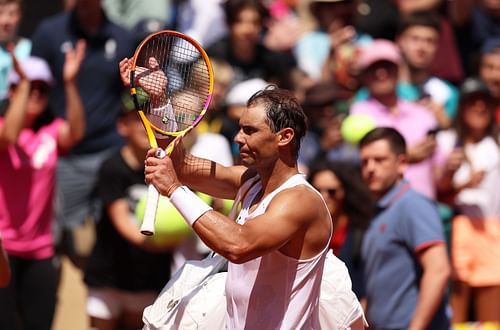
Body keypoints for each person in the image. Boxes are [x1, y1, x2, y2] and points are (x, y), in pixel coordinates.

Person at [120, 55, 333, 327]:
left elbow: (238, 245)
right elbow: (180, 164)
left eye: (249, 130)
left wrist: (174, 189)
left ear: (284, 137)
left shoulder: (300, 200)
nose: (237, 137)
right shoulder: (251, 181)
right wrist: (160, 100)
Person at [30, 0, 137, 268]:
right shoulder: (48, 33)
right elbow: (34, 90)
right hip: (65, 157)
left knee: (113, 238)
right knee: (59, 244)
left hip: (110, 154)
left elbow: (132, 96)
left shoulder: (123, 37)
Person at [0, 45, 85, 329]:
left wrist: (71, 83)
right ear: (12, 90)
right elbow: (9, 136)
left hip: (41, 250)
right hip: (3, 249)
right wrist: (22, 85)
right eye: (28, 87)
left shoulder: (50, 132)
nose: (35, 94)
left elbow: (76, 133)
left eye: (42, 89)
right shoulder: (2, 128)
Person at [83, 99, 175, 330]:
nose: (147, 128)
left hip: (147, 276)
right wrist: (156, 243)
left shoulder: (166, 168)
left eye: (152, 122)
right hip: (108, 275)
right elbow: (120, 218)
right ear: (122, 126)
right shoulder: (112, 167)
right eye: (139, 121)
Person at [358, 127, 451, 329]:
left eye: (379, 159)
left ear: (401, 163)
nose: (370, 168)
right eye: (364, 162)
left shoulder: (413, 205)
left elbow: (438, 270)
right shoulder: (380, 211)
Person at [436, 77, 500, 322]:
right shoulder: (445, 142)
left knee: (491, 323)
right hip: (455, 232)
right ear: (461, 107)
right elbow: (437, 194)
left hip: (493, 233)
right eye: (472, 102)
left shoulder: (497, 144)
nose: (480, 108)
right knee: (456, 320)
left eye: (485, 102)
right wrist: (454, 178)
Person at [350, 39, 443, 200]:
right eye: (374, 68)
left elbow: (439, 171)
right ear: (364, 75)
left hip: (424, 207)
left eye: (387, 66)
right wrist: (407, 156)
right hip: (379, 209)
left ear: (398, 70)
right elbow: (356, 165)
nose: (381, 73)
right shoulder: (358, 114)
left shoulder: (423, 114)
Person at [307, 160, 374, 298]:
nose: (324, 196)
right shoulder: (302, 230)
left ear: (345, 192)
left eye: (332, 192)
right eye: (317, 190)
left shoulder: (360, 231)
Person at [396, 11, 459, 128]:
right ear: (400, 42)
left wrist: (446, 126)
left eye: (430, 41)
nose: (422, 47)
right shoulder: (380, 89)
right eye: (415, 39)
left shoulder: (449, 94)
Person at [0, 0, 31, 110]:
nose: (5, 21)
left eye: (12, 14)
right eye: (0, 13)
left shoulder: (30, 48)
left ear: (20, 16)